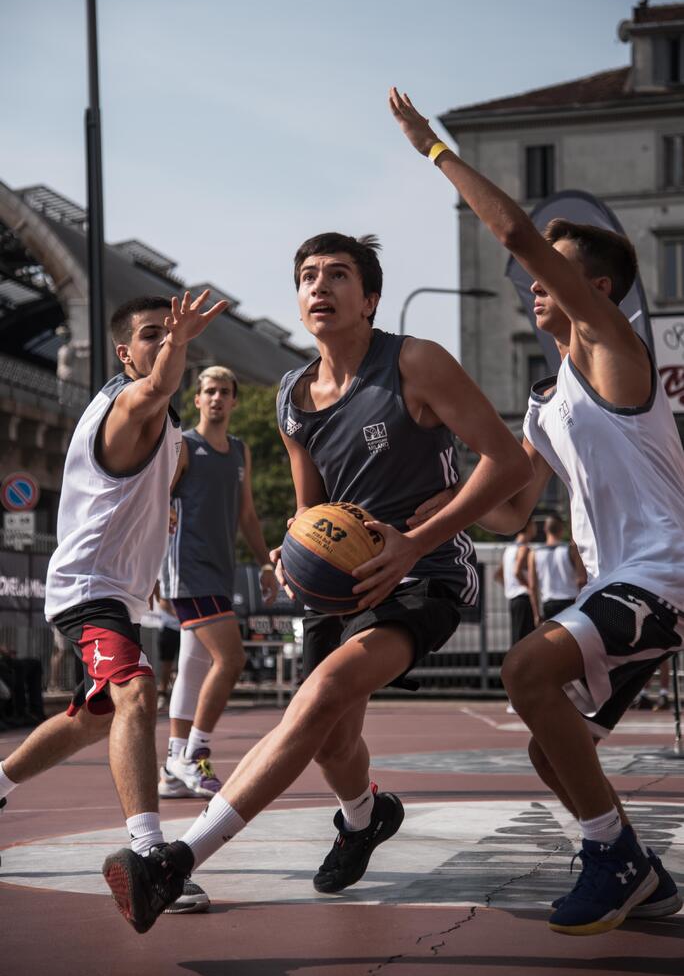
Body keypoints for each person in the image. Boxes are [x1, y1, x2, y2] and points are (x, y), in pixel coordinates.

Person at [101, 229, 532, 932]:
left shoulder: (415, 362)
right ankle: (364, 817)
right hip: (339, 582)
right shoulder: (291, 396)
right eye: (307, 276)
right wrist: (292, 547)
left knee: (322, 692)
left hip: (422, 573)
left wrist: (415, 541)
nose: (319, 286)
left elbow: (507, 464)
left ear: (369, 299)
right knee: (331, 740)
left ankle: (176, 861)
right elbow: (312, 506)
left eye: (337, 274)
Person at [387, 88, 684, 935]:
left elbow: (516, 235)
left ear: (595, 288)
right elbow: (513, 507)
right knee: (551, 750)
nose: (528, 282)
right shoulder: (548, 400)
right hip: (625, 583)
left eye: (549, 271)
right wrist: (425, 518)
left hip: (665, 571)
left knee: (524, 671)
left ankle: (612, 858)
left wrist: (434, 149)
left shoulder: (616, 346)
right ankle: (645, 875)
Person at [0, 291, 227, 924]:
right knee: (136, 690)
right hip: (87, 588)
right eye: (153, 334)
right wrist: (178, 347)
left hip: (116, 590)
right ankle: (151, 855)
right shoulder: (129, 404)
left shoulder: (166, 426)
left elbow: (148, 487)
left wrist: (149, 544)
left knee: (92, 717)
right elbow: (155, 390)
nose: (167, 339)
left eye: (172, 333)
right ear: (124, 354)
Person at [158, 365, 278, 799]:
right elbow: (157, 498)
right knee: (231, 659)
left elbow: (247, 514)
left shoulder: (240, 450)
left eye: (224, 391)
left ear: (234, 401)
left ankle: (172, 768)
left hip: (220, 570)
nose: (216, 398)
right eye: (209, 391)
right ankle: (194, 754)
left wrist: (266, 564)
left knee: (193, 666)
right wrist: (152, 564)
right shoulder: (185, 446)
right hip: (188, 568)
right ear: (197, 399)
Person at [494, 519, 536, 713]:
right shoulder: (523, 549)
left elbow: (498, 575)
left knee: (517, 645)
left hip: (513, 599)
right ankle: (517, 698)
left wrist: (509, 588)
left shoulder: (508, 549)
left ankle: (516, 697)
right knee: (524, 649)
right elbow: (518, 570)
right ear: (529, 527)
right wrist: (529, 588)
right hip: (523, 599)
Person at [528, 515, 586, 624]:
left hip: (548, 604)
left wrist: (536, 614)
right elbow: (581, 579)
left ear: (545, 529)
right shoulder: (570, 549)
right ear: (561, 529)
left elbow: (532, 586)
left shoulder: (534, 553)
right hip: (570, 602)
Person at [154, 595, 181, 712]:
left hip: (187, 629)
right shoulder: (167, 583)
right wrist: (182, 615)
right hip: (169, 628)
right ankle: (162, 695)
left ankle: (181, 695)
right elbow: (163, 602)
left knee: (186, 664)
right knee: (166, 664)